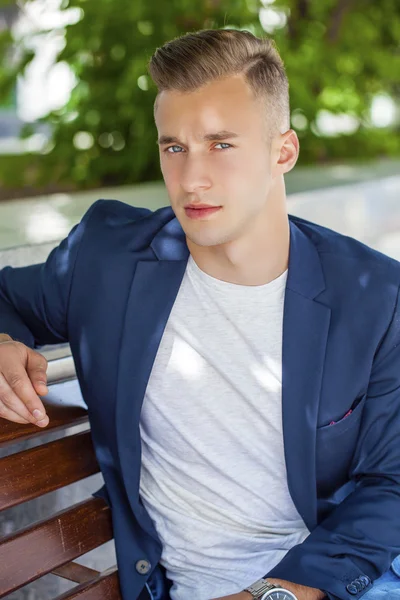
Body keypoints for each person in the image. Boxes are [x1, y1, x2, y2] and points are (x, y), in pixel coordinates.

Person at [0, 28, 400, 600]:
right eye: (174, 148)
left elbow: (393, 482)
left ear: (282, 151)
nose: (192, 179)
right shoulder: (109, 258)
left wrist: (276, 593)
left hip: (344, 580)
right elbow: (7, 295)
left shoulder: (376, 296)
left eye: (221, 144)